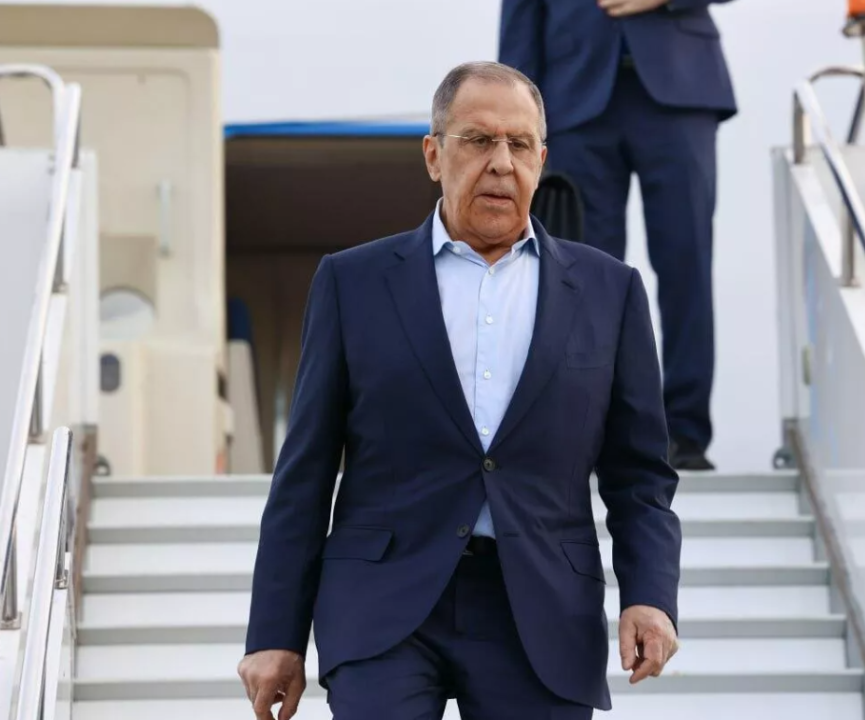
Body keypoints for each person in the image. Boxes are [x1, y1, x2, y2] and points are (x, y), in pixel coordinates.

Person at [237, 61, 683, 720]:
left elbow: (639, 474)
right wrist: (275, 632)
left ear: (541, 161)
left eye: (520, 144)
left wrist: (649, 595)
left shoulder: (609, 291)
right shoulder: (352, 283)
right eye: (478, 140)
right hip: (382, 601)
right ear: (432, 155)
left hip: (541, 609)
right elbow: (304, 471)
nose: (501, 162)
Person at [499, 0, 739, 470]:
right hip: (572, 100)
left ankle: (685, 432)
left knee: (687, 264)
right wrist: (514, 119)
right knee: (582, 279)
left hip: (682, 90)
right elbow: (522, 18)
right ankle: (589, 431)